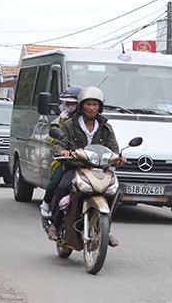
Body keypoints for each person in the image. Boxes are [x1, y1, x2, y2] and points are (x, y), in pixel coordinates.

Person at [48, 86, 126, 247]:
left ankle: (105, 229)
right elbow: (59, 143)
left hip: (100, 169)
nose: (91, 108)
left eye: (95, 105)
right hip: (75, 166)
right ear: (82, 105)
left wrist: (118, 158)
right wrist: (62, 151)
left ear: (100, 107)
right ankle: (54, 225)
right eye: (88, 104)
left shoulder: (105, 127)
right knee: (63, 187)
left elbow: (114, 148)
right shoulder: (70, 125)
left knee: (115, 192)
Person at [39, 85, 83, 219]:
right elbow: (55, 141)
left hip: (88, 161)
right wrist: (63, 151)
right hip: (66, 161)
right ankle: (47, 203)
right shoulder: (62, 120)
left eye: (73, 103)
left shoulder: (92, 120)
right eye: (67, 103)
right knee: (59, 182)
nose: (70, 105)